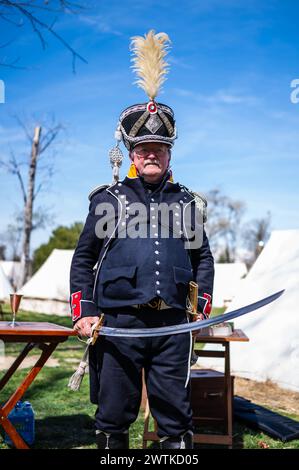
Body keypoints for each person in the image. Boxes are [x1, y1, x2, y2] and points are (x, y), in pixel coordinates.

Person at [70, 30, 214, 449]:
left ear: (170, 154)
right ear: (131, 154)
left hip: (172, 325)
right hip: (118, 326)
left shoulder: (187, 202)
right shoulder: (107, 200)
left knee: (175, 420)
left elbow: (203, 258)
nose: (152, 154)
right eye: (144, 148)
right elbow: (84, 259)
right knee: (114, 417)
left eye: (160, 148)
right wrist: (84, 310)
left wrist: (199, 311)